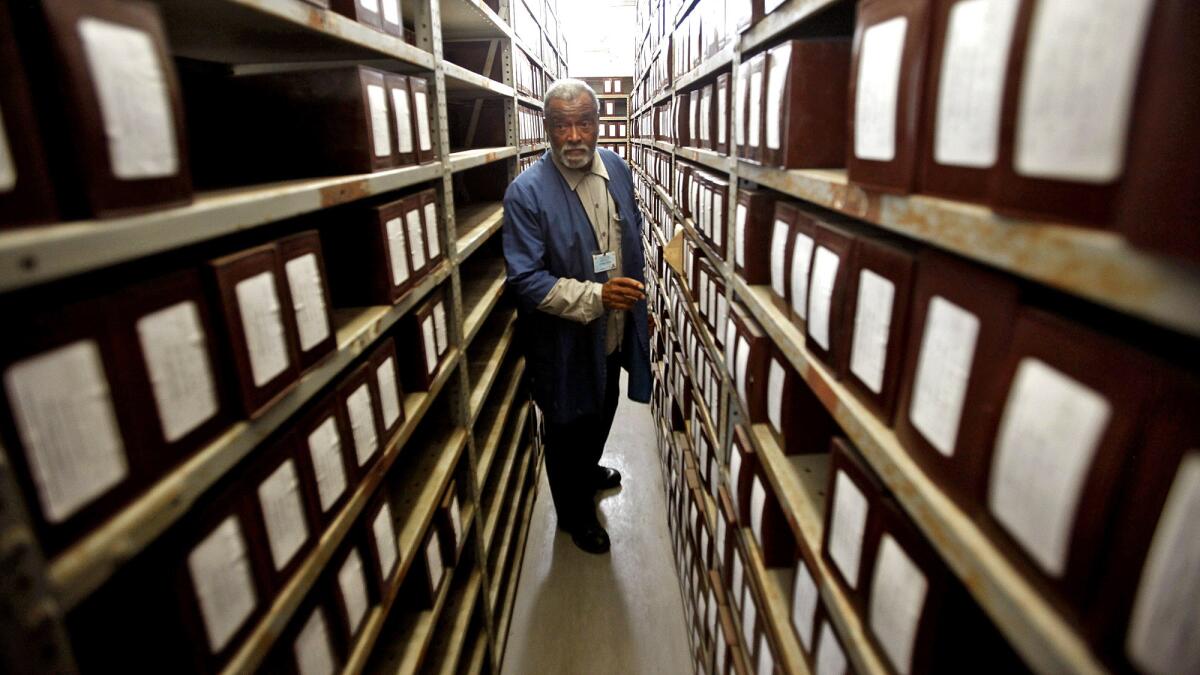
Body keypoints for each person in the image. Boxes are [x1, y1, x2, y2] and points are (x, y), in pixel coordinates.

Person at [501, 79, 651, 554]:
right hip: (563, 342)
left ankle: (587, 471)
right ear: (547, 129)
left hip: (611, 329)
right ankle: (572, 513)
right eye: (561, 125)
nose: (573, 136)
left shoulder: (618, 170)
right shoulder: (526, 194)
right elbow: (527, 281)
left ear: (598, 124)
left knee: (603, 405)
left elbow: (629, 236)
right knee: (567, 424)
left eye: (583, 122)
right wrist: (598, 296)